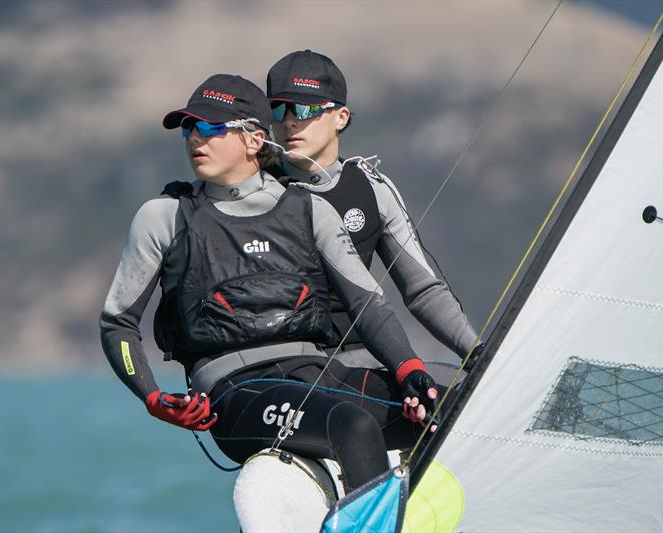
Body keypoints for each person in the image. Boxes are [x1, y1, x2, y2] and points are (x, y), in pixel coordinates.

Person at [99, 74, 440, 494]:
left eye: (210, 128)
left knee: (447, 406)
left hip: (319, 374)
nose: (194, 139)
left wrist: (410, 371)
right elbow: (117, 323)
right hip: (233, 392)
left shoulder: (309, 210)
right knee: (351, 425)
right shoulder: (163, 217)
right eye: (188, 128)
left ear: (254, 140)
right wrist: (150, 396)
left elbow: (368, 305)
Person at [264, 50, 482, 367]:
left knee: (451, 394)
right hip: (284, 363)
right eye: (278, 109)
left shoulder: (372, 188)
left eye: (304, 108)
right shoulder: (257, 188)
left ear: (341, 117)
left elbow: (423, 292)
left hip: (359, 357)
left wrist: (478, 355)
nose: (289, 120)